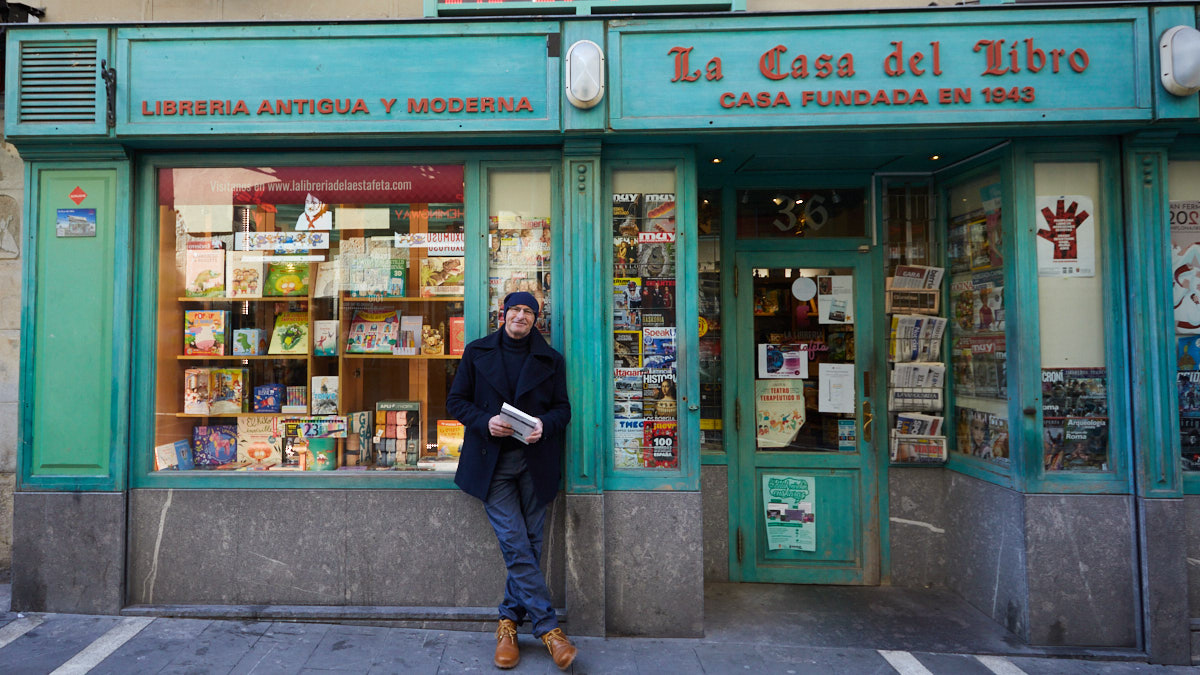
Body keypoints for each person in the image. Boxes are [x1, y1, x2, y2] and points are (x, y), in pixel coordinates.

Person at [446, 291, 576, 671]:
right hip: (492, 465)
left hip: (536, 463)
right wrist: (485, 422)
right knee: (516, 544)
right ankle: (550, 630)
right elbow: (456, 402)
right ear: (503, 315)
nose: (521, 316)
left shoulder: (551, 359)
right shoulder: (477, 351)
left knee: (529, 545)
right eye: (515, 310)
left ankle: (507, 624)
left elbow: (562, 409)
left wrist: (543, 426)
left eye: (528, 312)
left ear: (537, 319)